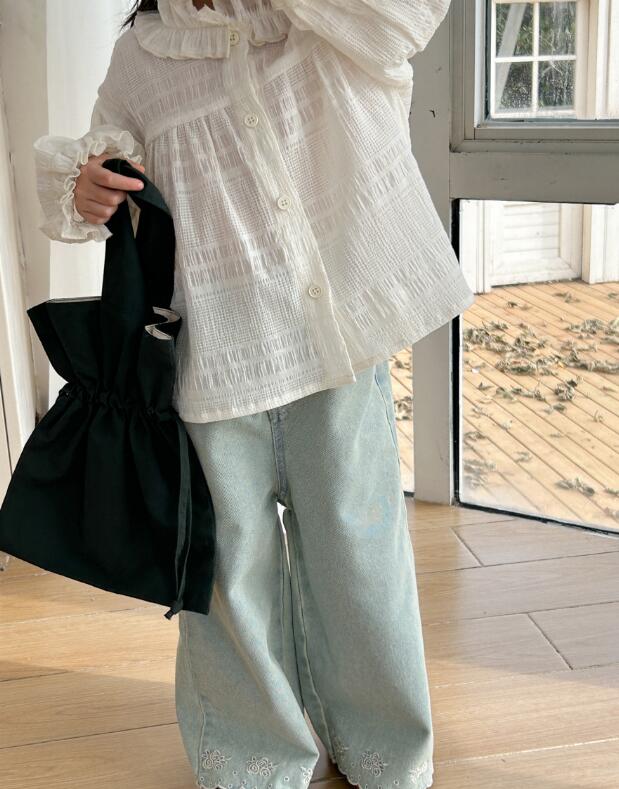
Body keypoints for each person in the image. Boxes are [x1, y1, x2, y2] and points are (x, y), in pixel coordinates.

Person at [32, 1, 475, 788]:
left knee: (360, 561)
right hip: (211, 361)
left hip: (334, 351)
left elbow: (404, 20)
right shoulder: (145, 55)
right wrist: (88, 184)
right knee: (227, 577)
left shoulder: (322, 17)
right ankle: (253, 760)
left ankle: (384, 747)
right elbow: (105, 161)